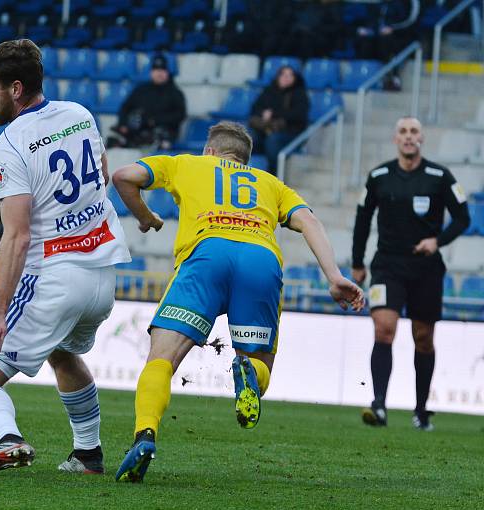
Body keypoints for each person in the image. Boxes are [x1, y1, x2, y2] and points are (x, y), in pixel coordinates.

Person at [111, 121, 364, 483]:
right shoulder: (270, 183)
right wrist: (334, 277)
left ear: (210, 151)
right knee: (261, 369)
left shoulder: (187, 163)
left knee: (162, 360)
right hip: (260, 260)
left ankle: (145, 435)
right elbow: (308, 220)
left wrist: (146, 217)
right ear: (245, 158)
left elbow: (123, 176)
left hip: (207, 256)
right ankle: (247, 373)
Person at [0, 39, 131, 476]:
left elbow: (16, 235)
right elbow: (102, 176)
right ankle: (88, 455)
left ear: (15, 89)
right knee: (63, 353)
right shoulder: (79, 114)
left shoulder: (8, 147)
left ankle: (7, 440)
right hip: (103, 276)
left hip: (53, 276)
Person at [352, 117, 470, 431]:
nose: (408, 137)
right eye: (403, 132)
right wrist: (357, 263)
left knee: (423, 338)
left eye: (414, 132)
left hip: (426, 269)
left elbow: (463, 218)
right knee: (384, 329)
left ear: (422, 138)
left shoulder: (439, 176)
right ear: (395, 139)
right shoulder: (379, 176)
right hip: (388, 264)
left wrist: (438, 241)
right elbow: (363, 220)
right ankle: (378, 405)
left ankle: (420, 410)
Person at [107, 54, 186, 151]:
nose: (159, 73)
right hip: (138, 132)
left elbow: (180, 115)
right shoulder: (141, 90)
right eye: (156, 70)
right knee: (113, 142)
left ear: (167, 72)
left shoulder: (175, 93)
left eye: (162, 70)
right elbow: (125, 107)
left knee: (161, 144)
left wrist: (154, 121)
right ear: (151, 72)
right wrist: (123, 124)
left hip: (163, 133)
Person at [249, 65, 309, 176]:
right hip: (265, 129)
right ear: (278, 77)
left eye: (290, 75)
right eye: (283, 75)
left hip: (290, 132)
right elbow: (255, 109)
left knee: (273, 141)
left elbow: (298, 115)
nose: (286, 78)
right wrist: (263, 114)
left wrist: (273, 114)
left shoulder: (300, 93)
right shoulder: (268, 91)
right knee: (248, 137)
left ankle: (274, 176)